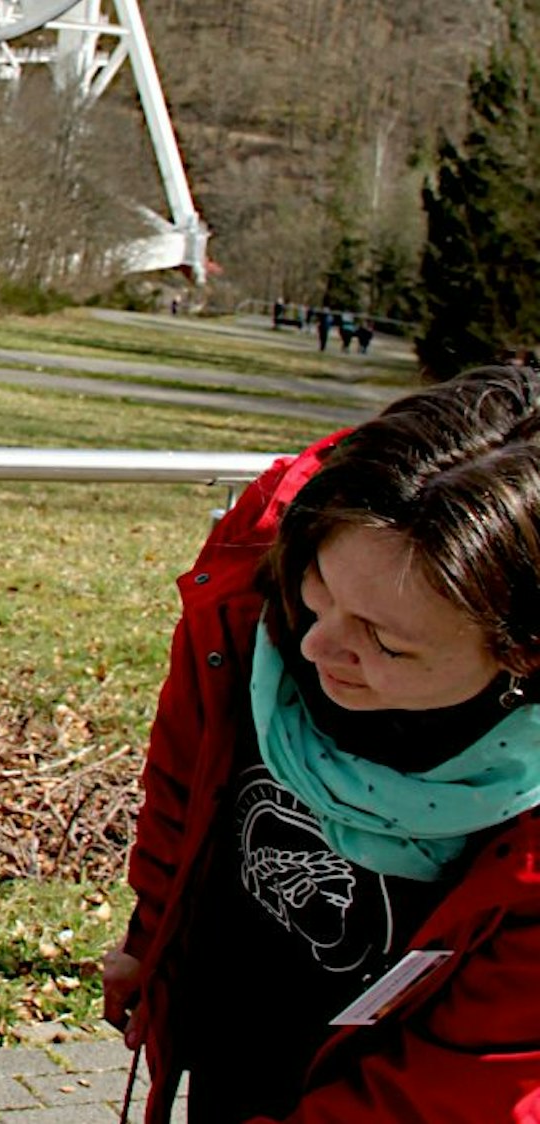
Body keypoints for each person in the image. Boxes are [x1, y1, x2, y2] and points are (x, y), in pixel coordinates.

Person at [101, 366, 540, 1122]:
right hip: (236, 1044)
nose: (317, 647)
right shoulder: (251, 595)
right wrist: (152, 937)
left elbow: (469, 1082)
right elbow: (183, 777)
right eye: (321, 589)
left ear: (522, 651)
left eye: (386, 643)